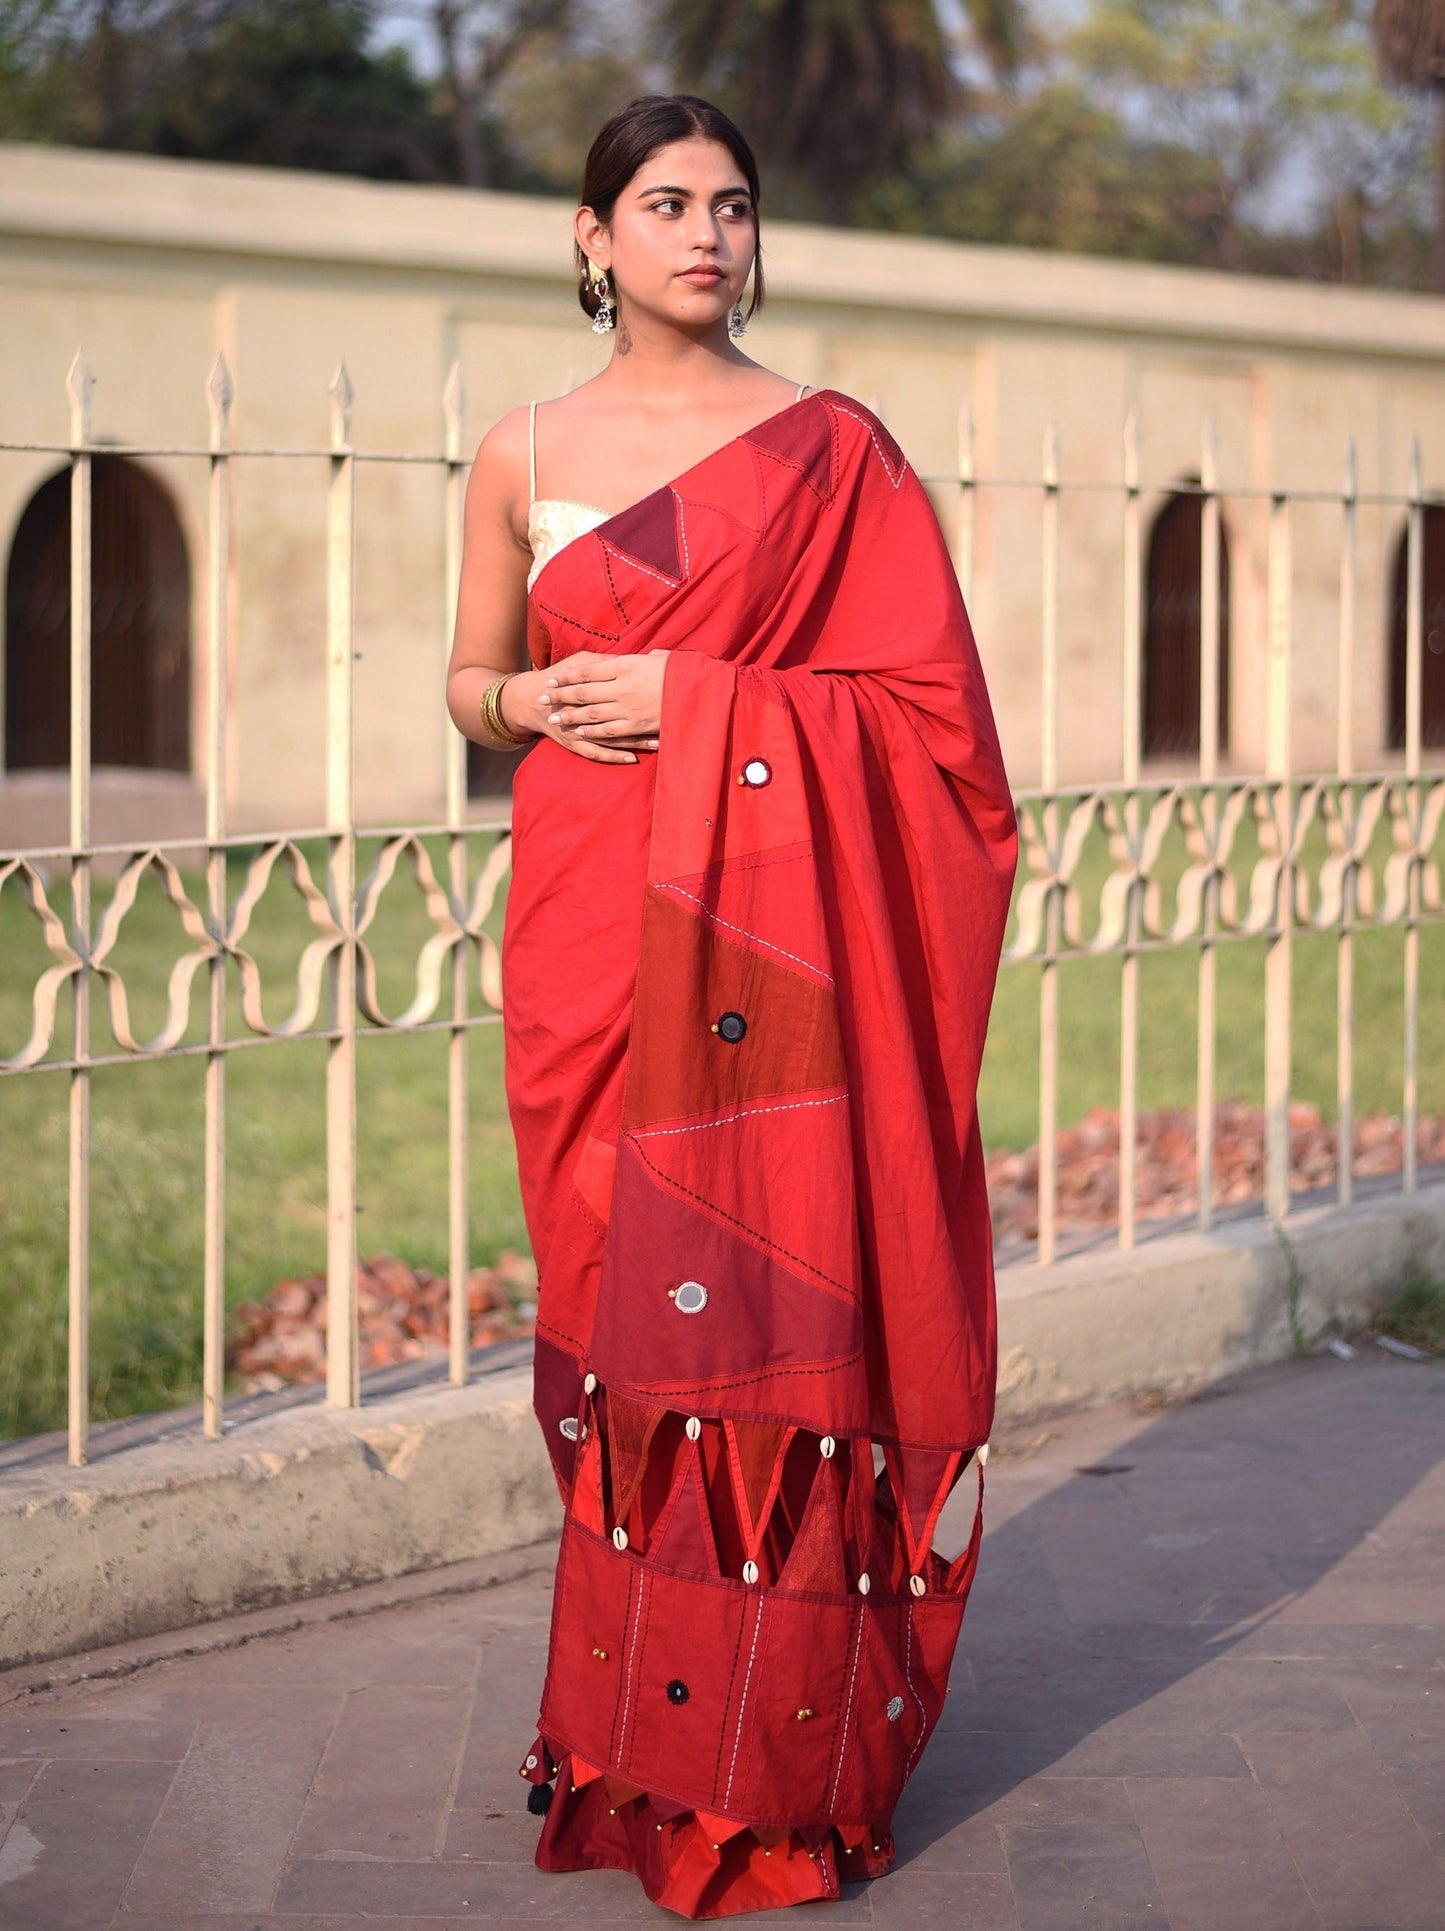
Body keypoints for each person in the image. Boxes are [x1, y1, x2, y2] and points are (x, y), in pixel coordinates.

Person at [445, 91, 1018, 1922]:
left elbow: (936, 733)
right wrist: (528, 708)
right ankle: (631, 1746)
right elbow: (469, 677)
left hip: (769, 961)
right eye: (666, 202)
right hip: (590, 936)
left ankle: (772, 1779)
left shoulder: (832, 452)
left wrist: (707, 702)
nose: (707, 232)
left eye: (734, 204)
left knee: (768, 1333)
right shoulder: (520, 449)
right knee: (623, 1331)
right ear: (592, 238)